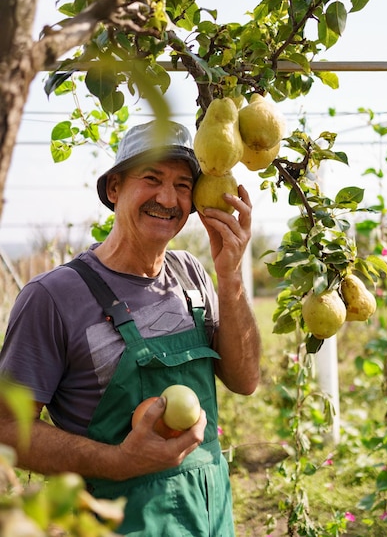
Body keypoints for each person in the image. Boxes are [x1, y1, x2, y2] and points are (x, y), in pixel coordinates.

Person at [0, 119, 261, 536]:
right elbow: (7, 428)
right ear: (114, 188)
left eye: (182, 185)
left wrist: (229, 277)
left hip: (210, 517)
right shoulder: (53, 297)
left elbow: (245, 381)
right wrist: (117, 461)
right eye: (152, 179)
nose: (168, 198)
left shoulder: (193, 274)